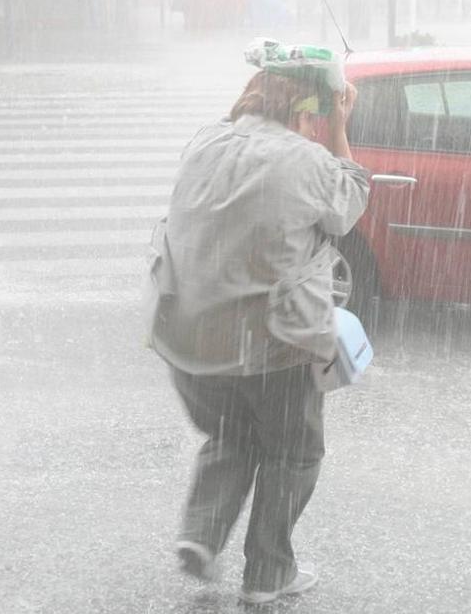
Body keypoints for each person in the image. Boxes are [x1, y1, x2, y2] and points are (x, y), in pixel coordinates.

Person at [145, 67, 370, 605]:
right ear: (304, 114)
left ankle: (200, 534)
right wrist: (340, 125)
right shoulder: (308, 160)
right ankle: (268, 574)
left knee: (233, 433)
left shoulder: (205, 140)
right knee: (294, 451)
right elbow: (351, 201)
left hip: (187, 338)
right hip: (273, 344)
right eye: (313, 115)